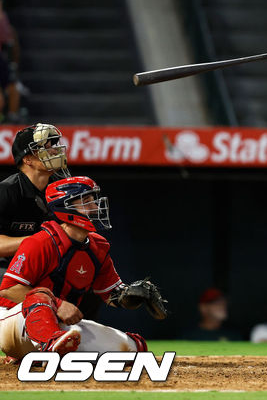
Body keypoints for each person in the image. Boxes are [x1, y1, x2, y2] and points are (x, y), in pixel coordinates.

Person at [0, 176, 166, 361]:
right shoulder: (40, 242)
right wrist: (58, 304)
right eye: (86, 202)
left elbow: (112, 295)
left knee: (132, 348)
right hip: (13, 322)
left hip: (58, 325)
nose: (95, 207)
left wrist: (133, 295)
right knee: (41, 296)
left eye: (94, 201)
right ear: (65, 206)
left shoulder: (98, 246)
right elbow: (8, 289)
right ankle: (45, 348)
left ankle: (44, 349)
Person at [0, 124, 70, 280]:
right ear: (27, 159)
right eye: (45, 147)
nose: (54, 151)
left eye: (53, 146)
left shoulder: (63, 187)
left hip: (48, 267)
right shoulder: (6, 191)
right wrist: (42, 240)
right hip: (10, 268)